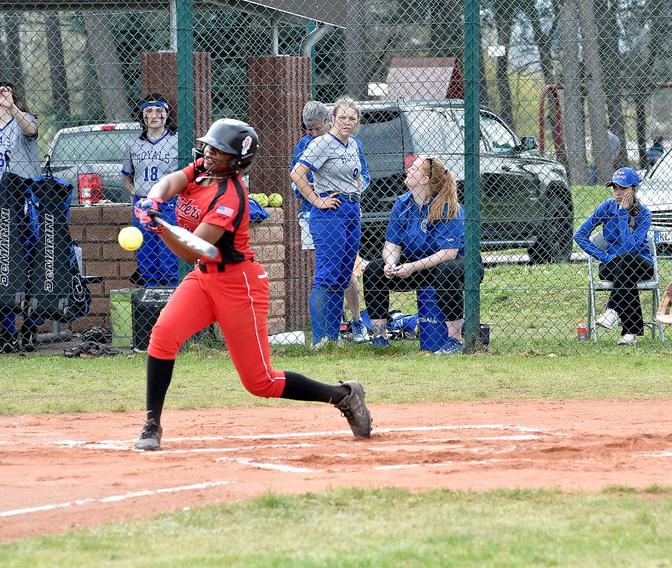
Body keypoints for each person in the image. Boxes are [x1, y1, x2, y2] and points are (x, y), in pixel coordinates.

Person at [132, 118, 371, 451]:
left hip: (238, 284)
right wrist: (152, 200)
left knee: (261, 382)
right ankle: (152, 424)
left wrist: (160, 227)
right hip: (204, 279)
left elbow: (193, 249)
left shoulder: (230, 196)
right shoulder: (204, 168)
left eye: (219, 151)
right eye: (210, 147)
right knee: (162, 336)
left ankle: (344, 396)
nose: (210, 153)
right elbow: (171, 181)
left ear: (237, 160)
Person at [362, 155, 472, 354]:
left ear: (425, 180)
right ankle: (379, 337)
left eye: (414, 168)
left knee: (446, 270)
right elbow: (391, 244)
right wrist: (390, 262)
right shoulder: (402, 203)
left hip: (456, 265)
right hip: (418, 265)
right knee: (374, 269)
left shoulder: (447, 205)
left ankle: (454, 341)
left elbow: (448, 253)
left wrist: (412, 267)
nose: (408, 169)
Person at [291, 100, 370, 344]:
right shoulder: (321, 143)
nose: (347, 122)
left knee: (343, 273)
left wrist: (353, 194)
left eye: (352, 118)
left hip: (351, 210)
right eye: (343, 117)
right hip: (329, 213)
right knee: (327, 274)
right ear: (332, 118)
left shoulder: (354, 144)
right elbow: (297, 174)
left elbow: (361, 176)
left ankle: (333, 337)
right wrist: (317, 200)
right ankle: (320, 339)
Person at [574, 167, 654, 346]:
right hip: (611, 264)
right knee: (624, 271)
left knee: (626, 261)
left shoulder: (644, 215)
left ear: (634, 189)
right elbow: (579, 235)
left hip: (641, 263)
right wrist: (603, 257)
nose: (618, 193)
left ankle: (612, 311)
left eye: (623, 188)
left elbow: (630, 248)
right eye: (614, 188)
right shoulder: (606, 207)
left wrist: (622, 213)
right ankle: (629, 332)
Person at [122, 93, 180, 287]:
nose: (153, 115)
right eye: (148, 111)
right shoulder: (133, 144)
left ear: (166, 114)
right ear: (143, 115)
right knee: (146, 254)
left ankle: (172, 298)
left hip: (169, 203)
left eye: (158, 111)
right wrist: (133, 191)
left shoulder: (177, 141)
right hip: (143, 203)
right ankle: (151, 300)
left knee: (168, 254)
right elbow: (127, 175)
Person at [0, 81, 40, 352]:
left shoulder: (22, 119)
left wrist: (11, 107)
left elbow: (32, 130)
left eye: (6, 90)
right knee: (3, 265)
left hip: (23, 195)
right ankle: (6, 331)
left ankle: (29, 328)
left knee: (30, 261)